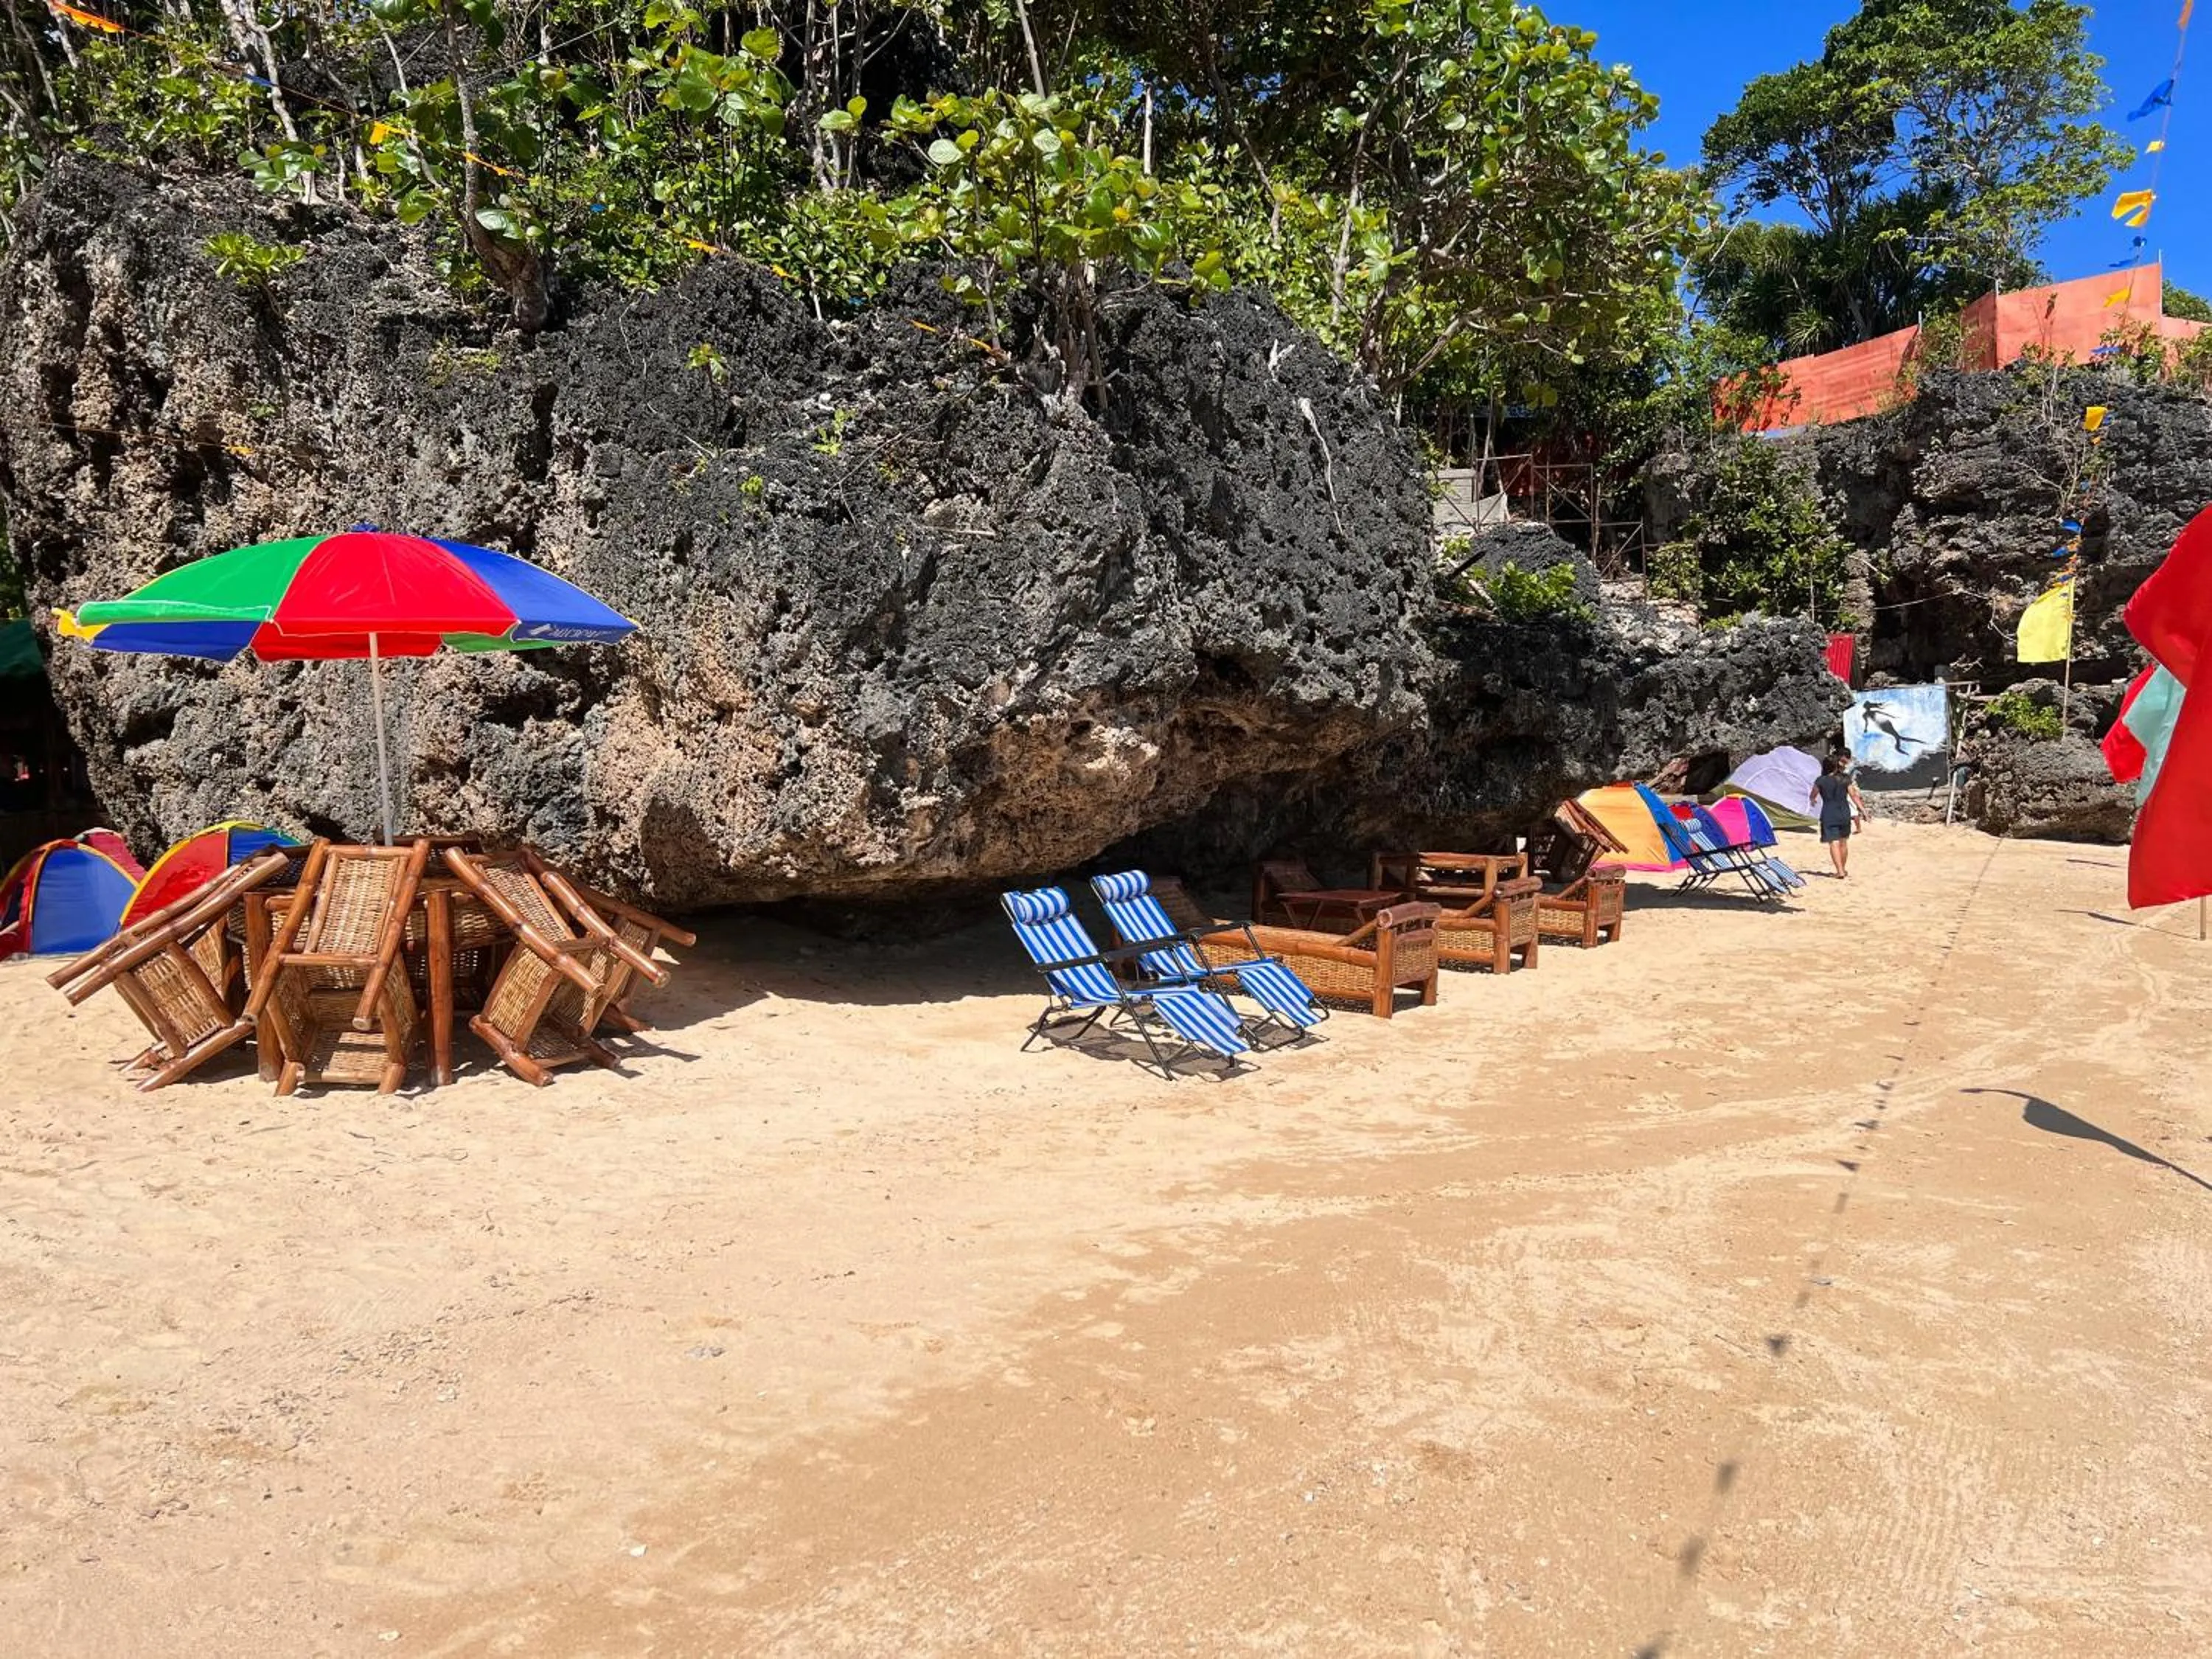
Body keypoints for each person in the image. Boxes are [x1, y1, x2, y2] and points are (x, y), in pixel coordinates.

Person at [1809, 752, 1866, 878]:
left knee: (1833, 842)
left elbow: (1813, 795)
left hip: (1829, 813)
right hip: (1844, 812)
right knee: (1843, 842)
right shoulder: (1846, 778)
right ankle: (1843, 870)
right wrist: (1863, 810)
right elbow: (1854, 796)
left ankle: (1839, 871)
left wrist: (1813, 800)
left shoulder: (1821, 780)